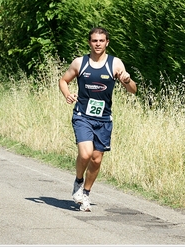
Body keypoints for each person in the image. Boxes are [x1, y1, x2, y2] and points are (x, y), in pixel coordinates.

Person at [59, 27, 137, 212]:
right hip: (82, 116)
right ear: (89, 42)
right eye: (94, 41)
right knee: (85, 154)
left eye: (101, 41)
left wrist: (126, 80)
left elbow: (133, 90)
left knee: (96, 159)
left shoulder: (115, 64)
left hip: (103, 119)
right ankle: (78, 181)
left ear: (107, 42)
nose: (98, 44)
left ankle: (86, 193)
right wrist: (67, 94)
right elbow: (63, 81)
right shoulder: (80, 63)